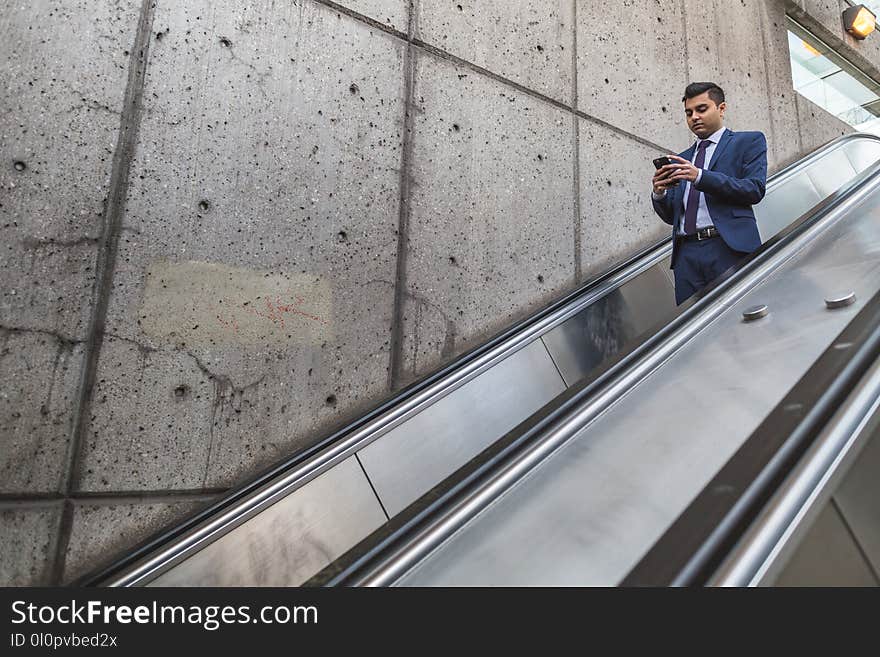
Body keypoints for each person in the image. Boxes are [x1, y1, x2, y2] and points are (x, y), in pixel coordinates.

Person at [651, 82, 767, 305]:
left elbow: (754, 189)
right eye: (689, 112)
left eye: (701, 109)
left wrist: (700, 177)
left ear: (721, 108)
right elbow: (672, 216)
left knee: (740, 314)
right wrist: (659, 193)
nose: (694, 117)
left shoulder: (749, 141)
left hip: (728, 248)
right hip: (686, 256)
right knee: (692, 328)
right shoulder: (682, 158)